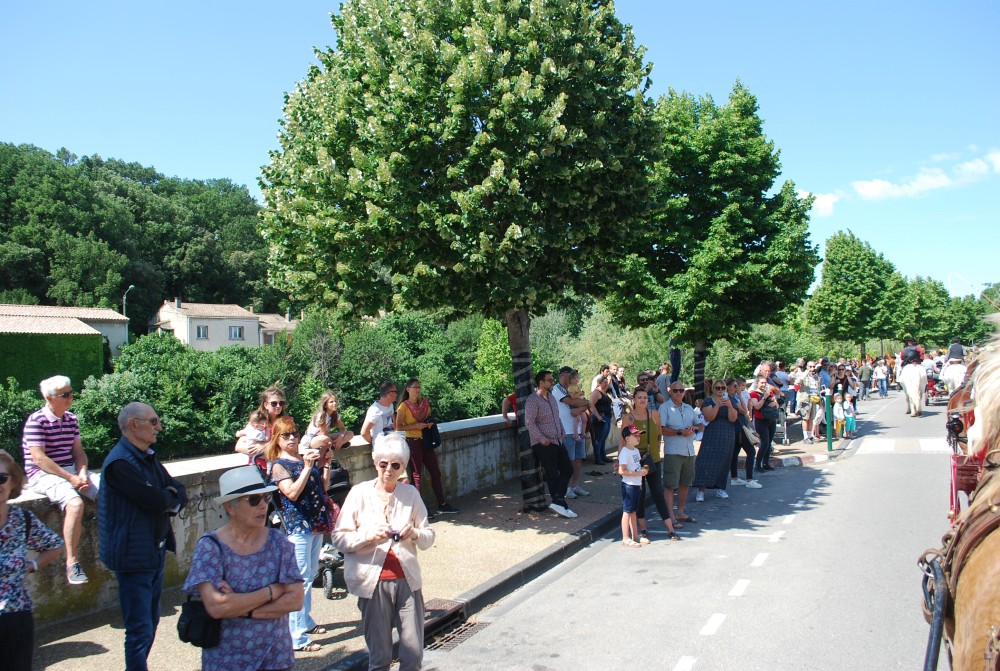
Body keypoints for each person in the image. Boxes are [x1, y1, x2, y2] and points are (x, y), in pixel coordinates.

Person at [183, 466, 303, 671]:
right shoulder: (211, 547)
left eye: (265, 498)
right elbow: (217, 607)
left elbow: (295, 599)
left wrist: (239, 607)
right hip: (227, 660)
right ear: (230, 506)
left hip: (276, 658)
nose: (263, 506)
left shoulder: (278, 542)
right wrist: (272, 591)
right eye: (253, 500)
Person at [333, 433, 435, 671]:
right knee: (379, 656)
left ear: (403, 468)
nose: (388, 470)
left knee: (413, 655)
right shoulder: (359, 493)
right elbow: (339, 537)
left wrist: (415, 534)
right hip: (373, 582)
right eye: (383, 463)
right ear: (374, 461)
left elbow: (429, 537)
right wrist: (367, 536)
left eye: (395, 465)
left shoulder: (410, 495)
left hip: (407, 581)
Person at [98, 402, 188, 671]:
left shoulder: (146, 456)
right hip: (133, 556)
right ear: (133, 424)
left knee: (151, 622)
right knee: (139, 628)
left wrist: (168, 496)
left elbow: (178, 490)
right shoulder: (119, 463)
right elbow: (152, 498)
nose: (159, 426)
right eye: (154, 421)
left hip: (153, 551)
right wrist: (166, 496)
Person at [266, 416, 335, 653]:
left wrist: (324, 464)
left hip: (314, 523)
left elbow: (322, 488)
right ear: (277, 439)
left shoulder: (302, 459)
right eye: (286, 435)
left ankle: (305, 621)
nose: (293, 438)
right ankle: (296, 636)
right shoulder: (279, 465)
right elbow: (292, 493)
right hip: (298, 527)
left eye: (295, 433)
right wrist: (307, 468)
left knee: (310, 574)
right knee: (300, 580)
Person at [21, 374, 97, 585]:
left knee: (109, 494)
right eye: (65, 394)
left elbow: (78, 452)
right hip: (43, 474)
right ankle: (72, 564)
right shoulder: (36, 422)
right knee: (74, 504)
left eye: (71, 392)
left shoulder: (71, 419)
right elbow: (39, 459)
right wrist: (71, 478)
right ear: (49, 397)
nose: (70, 397)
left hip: (70, 470)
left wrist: (81, 473)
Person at [0, 451, 64, 671]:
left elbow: (55, 544)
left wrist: (32, 565)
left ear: (13, 481)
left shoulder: (21, 519)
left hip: (16, 615)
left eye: (1, 478)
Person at [396, 378, 458, 516]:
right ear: (407, 389)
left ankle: (442, 504)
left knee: (435, 472)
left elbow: (428, 417)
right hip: (413, 441)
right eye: (414, 387)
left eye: (419, 386)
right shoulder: (403, 407)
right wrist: (415, 426)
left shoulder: (424, 402)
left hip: (426, 439)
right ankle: (419, 510)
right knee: (416, 475)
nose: (417, 389)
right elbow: (398, 427)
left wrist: (428, 423)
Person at [523, 370, 576, 518]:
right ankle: (561, 505)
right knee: (552, 474)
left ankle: (558, 501)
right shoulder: (533, 400)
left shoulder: (551, 397)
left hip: (557, 440)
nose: (552, 382)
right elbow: (529, 423)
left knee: (567, 469)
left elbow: (556, 417)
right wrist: (541, 439)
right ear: (541, 382)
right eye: (550, 380)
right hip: (544, 443)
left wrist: (563, 432)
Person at [660, 382, 703, 525]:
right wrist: (679, 432)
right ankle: (670, 516)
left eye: (681, 390)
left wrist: (694, 428)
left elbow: (701, 425)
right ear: (670, 391)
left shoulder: (689, 408)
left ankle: (680, 512)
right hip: (673, 451)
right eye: (675, 390)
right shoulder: (664, 408)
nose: (679, 393)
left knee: (685, 483)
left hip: (689, 451)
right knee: (670, 485)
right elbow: (660, 429)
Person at [694, 379, 737, 501]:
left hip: (727, 433)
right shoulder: (708, 401)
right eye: (718, 388)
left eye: (723, 388)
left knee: (724, 461)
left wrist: (729, 406)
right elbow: (709, 417)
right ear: (713, 388)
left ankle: (721, 488)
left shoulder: (731, 401)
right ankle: (701, 490)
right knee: (705, 461)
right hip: (712, 433)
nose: (720, 390)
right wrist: (718, 405)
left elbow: (733, 418)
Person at [552, 367, 590, 500]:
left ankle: (574, 486)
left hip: (578, 429)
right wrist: (586, 403)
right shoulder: (557, 389)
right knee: (568, 461)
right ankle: (566, 488)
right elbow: (571, 401)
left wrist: (585, 404)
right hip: (566, 431)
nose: (573, 378)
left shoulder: (575, 387)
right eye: (570, 376)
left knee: (578, 461)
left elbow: (584, 404)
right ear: (562, 375)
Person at [235, 385, 288, 463]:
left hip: (279, 464)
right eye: (274, 403)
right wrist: (255, 448)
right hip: (258, 465)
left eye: (281, 403)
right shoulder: (256, 420)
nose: (278, 406)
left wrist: (264, 446)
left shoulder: (287, 422)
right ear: (266, 405)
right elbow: (239, 446)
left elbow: (289, 444)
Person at [618, 425, 647, 548]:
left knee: (633, 511)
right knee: (627, 511)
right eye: (635, 435)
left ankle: (635, 535)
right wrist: (638, 473)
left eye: (638, 435)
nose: (638, 437)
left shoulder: (635, 451)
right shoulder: (624, 452)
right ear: (627, 438)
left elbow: (636, 465)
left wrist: (642, 470)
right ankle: (625, 538)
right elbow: (621, 470)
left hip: (636, 484)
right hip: (629, 485)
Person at [728, 379, 760, 488]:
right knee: (751, 452)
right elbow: (744, 410)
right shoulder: (731, 399)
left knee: (735, 454)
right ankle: (749, 479)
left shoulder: (733, 398)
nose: (737, 388)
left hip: (739, 428)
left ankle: (734, 477)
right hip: (738, 430)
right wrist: (740, 396)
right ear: (728, 387)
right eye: (735, 386)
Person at [749, 375, 779, 474]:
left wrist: (774, 404)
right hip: (760, 420)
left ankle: (766, 463)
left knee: (769, 442)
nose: (763, 384)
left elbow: (777, 404)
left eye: (765, 382)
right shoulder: (753, 394)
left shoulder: (769, 392)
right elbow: (757, 406)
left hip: (771, 419)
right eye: (761, 382)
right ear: (757, 383)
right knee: (764, 442)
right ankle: (758, 464)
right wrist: (764, 398)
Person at [361, 381, 398, 446]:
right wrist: (375, 443)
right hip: (381, 449)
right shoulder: (375, 409)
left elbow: (393, 424)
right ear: (390, 393)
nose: (397, 394)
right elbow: (364, 432)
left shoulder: (391, 405)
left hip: (392, 444)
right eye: (396, 392)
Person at [588, 375, 614, 465]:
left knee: (603, 438)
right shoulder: (596, 392)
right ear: (599, 383)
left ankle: (603, 456)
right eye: (604, 382)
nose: (606, 384)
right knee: (598, 439)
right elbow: (591, 404)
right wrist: (597, 415)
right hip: (600, 418)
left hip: (607, 417)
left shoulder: (604, 392)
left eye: (607, 382)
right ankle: (598, 458)